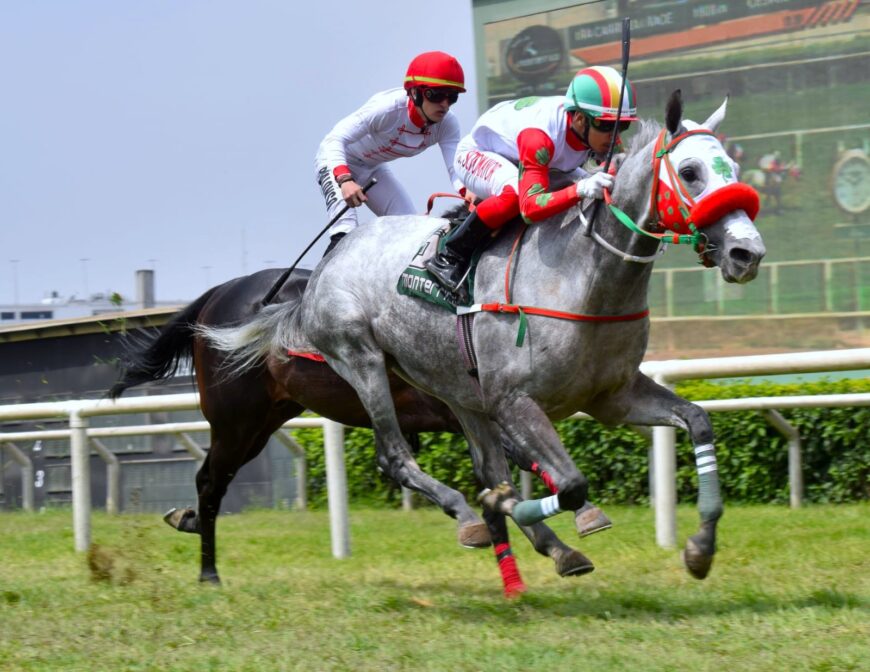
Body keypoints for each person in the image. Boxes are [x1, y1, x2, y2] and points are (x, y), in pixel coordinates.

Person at [425, 65, 638, 293]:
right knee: (517, 195)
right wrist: (581, 188)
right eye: (606, 126)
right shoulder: (539, 137)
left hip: (528, 159)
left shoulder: (599, 131)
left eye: (621, 126)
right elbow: (530, 208)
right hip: (478, 153)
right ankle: (450, 255)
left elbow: (613, 175)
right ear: (579, 119)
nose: (614, 136)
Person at [315, 51, 467, 255]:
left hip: (373, 169)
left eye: (452, 97)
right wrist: (345, 179)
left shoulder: (447, 124)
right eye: (437, 95)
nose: (445, 104)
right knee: (346, 233)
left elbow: (456, 169)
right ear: (414, 93)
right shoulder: (388, 109)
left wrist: (470, 193)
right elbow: (334, 139)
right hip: (337, 162)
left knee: (412, 232)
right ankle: (319, 286)